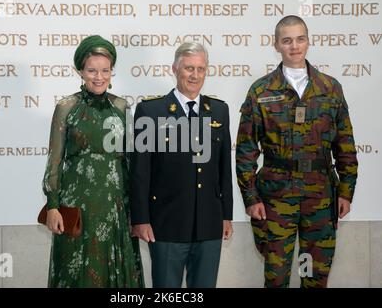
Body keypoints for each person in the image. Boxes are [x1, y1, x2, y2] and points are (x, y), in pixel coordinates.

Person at [235, 15, 358, 288]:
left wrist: (346, 191)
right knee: (276, 277)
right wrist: (251, 197)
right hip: (276, 198)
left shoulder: (330, 88)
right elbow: (245, 150)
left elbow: (346, 145)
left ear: (308, 41)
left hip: (321, 197)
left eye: (300, 39)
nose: (294, 46)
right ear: (276, 44)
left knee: (313, 275)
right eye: (287, 40)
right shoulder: (261, 90)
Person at [42, 35, 144, 287]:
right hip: (77, 206)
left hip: (116, 205)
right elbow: (54, 160)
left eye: (105, 70)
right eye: (91, 70)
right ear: (80, 71)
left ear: (112, 72)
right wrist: (53, 205)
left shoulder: (121, 106)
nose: (99, 77)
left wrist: (137, 210)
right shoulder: (66, 107)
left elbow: (131, 162)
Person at [130, 42, 233, 288]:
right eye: (188, 68)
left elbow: (224, 169)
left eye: (200, 68)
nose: (195, 75)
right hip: (166, 223)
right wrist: (141, 219)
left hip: (209, 222)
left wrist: (226, 215)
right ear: (175, 69)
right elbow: (140, 171)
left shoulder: (219, 110)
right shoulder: (151, 110)